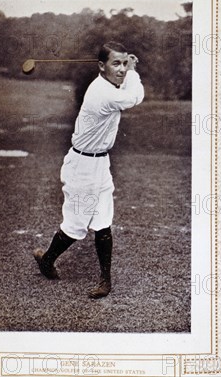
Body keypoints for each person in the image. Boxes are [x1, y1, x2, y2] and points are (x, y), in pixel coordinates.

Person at [33, 41, 145, 299]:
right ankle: (47, 260)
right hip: (82, 166)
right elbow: (134, 97)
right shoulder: (101, 92)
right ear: (101, 66)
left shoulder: (109, 86)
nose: (121, 69)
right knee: (76, 226)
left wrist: (130, 70)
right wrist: (134, 71)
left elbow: (127, 91)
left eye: (123, 63)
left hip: (100, 163)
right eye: (115, 63)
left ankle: (105, 281)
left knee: (104, 221)